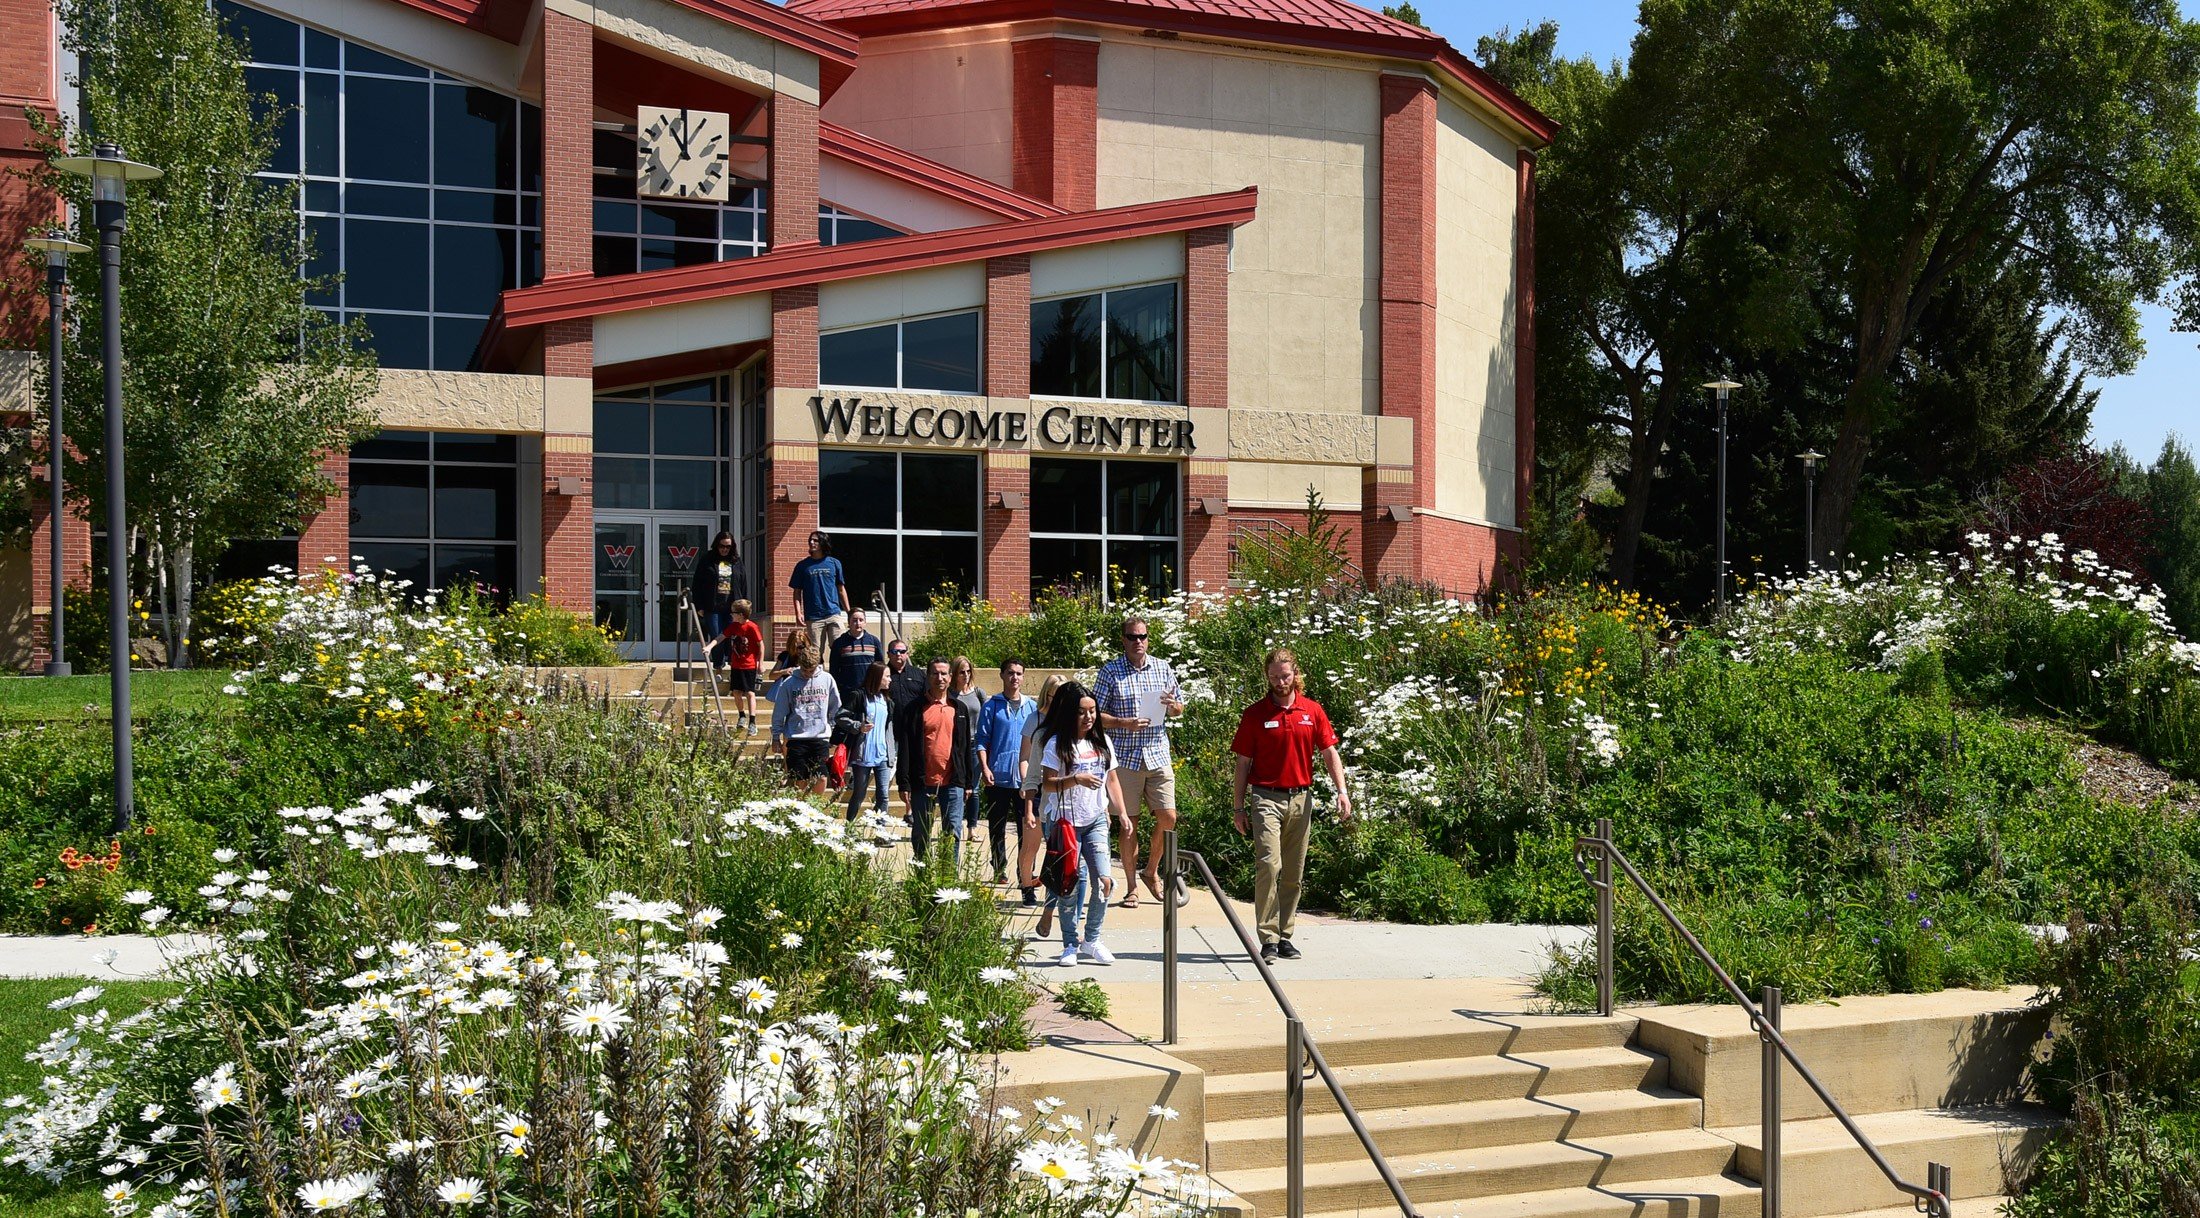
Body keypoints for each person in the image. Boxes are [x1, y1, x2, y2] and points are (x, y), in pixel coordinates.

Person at [1230, 647, 1352, 964]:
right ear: (1266, 677)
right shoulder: (1255, 714)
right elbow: (1243, 763)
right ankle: (1267, 939)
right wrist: (1238, 806)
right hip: (1265, 796)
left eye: (1285, 676)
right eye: (1273, 677)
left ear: (1295, 673)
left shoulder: (1312, 711)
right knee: (1269, 866)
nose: (1280, 682)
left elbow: (1329, 752)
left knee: (1293, 872)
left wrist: (1342, 790)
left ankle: (1286, 936)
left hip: (1301, 798)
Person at [1092, 615, 1186, 908]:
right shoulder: (1110, 672)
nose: (1138, 642)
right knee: (1128, 825)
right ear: (1124, 640)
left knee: (1168, 817)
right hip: (1125, 759)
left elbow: (1180, 708)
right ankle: (1132, 887)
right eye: (1133, 637)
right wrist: (1123, 722)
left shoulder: (1162, 668)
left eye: (1143, 636)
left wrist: (1173, 706)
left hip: (1157, 753)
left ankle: (1151, 871)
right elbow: (1095, 715)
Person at [1036, 682, 1125, 968]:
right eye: (1081, 712)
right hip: (1066, 824)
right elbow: (1048, 784)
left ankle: (1093, 939)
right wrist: (1076, 778)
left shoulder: (1102, 743)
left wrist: (1121, 813)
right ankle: (1070, 944)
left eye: (1092, 711)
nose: (1088, 718)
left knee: (1105, 881)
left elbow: (1112, 780)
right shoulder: (1056, 744)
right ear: (1069, 714)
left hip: (1095, 819)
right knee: (1069, 886)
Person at [896, 657, 975, 860]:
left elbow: (965, 748)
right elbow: (905, 748)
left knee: (953, 833)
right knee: (921, 833)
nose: (939, 678)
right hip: (923, 783)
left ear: (950, 678)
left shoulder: (959, 709)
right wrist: (903, 783)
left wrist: (968, 782)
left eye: (943, 674)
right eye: (935, 673)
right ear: (928, 676)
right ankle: (922, 876)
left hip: (953, 782)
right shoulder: (914, 709)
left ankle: (948, 880)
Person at [975, 658, 1038, 887]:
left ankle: (1025, 871)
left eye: (1019, 673)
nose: (1015, 678)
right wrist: (984, 767)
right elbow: (981, 740)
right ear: (1002, 675)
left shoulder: (1031, 707)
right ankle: (999, 867)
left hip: (1024, 780)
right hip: (998, 776)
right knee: (997, 826)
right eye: (1010, 673)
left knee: (1026, 828)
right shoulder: (992, 706)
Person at [1018, 674, 1068, 916]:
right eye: (1054, 694)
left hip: (1059, 792)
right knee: (1031, 845)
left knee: (1057, 848)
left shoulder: (1067, 725)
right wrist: (1028, 792)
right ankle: (1027, 885)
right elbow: (1026, 757)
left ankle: (1057, 892)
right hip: (1038, 787)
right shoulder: (1036, 722)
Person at [770, 636, 841, 796]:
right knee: (800, 779)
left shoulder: (827, 679)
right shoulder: (789, 683)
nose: (808, 674)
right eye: (804, 670)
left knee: (821, 777)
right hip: (796, 738)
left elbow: (835, 706)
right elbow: (779, 712)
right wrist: (776, 736)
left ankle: (815, 808)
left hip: (820, 737)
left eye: (811, 670)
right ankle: (801, 808)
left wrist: (832, 727)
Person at [844, 662, 897, 824]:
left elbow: (889, 728)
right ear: (877, 677)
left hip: (882, 753)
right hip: (863, 754)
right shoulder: (859, 696)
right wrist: (858, 726)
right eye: (887, 676)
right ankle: (849, 825)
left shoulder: (886, 700)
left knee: (883, 795)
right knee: (859, 793)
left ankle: (880, 831)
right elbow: (841, 716)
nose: (890, 680)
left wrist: (891, 752)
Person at [788, 530, 852, 656]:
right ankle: (816, 675)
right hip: (813, 616)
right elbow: (796, 592)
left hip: (833, 613)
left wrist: (849, 613)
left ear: (823, 542)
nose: (812, 542)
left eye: (815, 540)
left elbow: (841, 589)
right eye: (810, 540)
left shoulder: (834, 563)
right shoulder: (802, 566)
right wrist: (798, 613)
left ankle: (838, 675)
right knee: (815, 653)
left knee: (840, 649)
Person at [690, 532, 744, 674]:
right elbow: (697, 583)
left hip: (732, 607)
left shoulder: (736, 561)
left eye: (728, 546)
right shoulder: (707, 559)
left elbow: (742, 583)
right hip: (712, 606)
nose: (724, 549)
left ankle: (734, 667)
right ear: (716, 545)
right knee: (717, 635)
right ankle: (718, 667)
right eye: (721, 546)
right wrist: (699, 605)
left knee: (732, 637)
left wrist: (743, 606)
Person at [950, 656, 986, 840]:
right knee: (957, 786)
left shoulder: (978, 693)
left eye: (968, 671)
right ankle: (953, 824)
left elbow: (985, 718)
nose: (965, 675)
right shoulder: (949, 695)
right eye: (961, 672)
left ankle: (972, 828)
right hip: (956, 745)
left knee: (974, 787)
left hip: (975, 744)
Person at [719, 599, 765, 735]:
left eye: (733, 613)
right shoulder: (733, 626)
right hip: (736, 665)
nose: (731, 615)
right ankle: (742, 716)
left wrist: (760, 663)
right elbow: (721, 637)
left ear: (740, 614)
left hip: (749, 665)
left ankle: (752, 721)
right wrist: (709, 647)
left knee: (750, 693)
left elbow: (761, 645)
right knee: (736, 692)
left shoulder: (752, 627)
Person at [829, 608, 885, 702]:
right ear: (849, 623)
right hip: (848, 692)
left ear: (865, 622)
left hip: (869, 691)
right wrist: (839, 687)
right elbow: (834, 669)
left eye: (861, 620)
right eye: (854, 620)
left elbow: (880, 666)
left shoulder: (874, 641)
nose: (858, 623)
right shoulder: (839, 643)